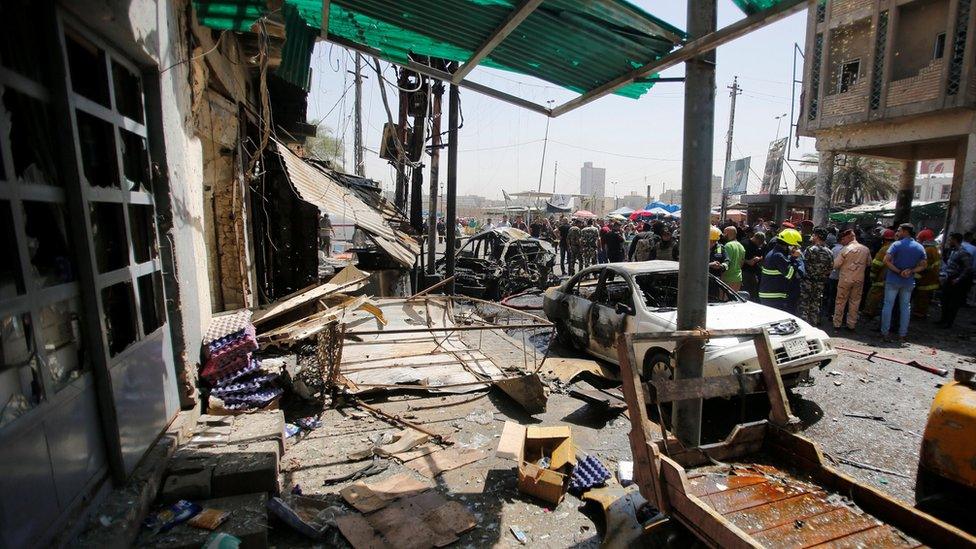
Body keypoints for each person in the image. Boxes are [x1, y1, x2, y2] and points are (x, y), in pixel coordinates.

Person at [881, 223, 927, 343]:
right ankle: (902, 335)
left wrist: (898, 271)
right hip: (908, 281)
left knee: (888, 306)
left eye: (899, 231)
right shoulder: (919, 247)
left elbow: (886, 260)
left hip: (893, 280)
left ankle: (885, 333)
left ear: (906, 231)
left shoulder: (896, 245)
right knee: (906, 307)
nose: (897, 233)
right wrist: (911, 271)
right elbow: (923, 265)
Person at [758, 229, 805, 313]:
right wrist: (796, 258)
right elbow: (790, 274)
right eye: (794, 246)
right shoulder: (778, 256)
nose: (796, 248)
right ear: (789, 245)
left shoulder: (776, 253)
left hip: (771, 296)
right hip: (774, 297)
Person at [832, 228, 871, 331]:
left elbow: (836, 265)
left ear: (849, 237)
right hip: (859, 280)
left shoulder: (845, 249)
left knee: (840, 301)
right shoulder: (865, 249)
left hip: (845, 279)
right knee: (855, 302)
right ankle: (851, 325)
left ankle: (837, 324)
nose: (842, 241)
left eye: (843, 239)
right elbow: (869, 263)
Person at [938, 233, 974, 328]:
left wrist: (958, 279)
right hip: (948, 278)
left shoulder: (963, 253)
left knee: (953, 303)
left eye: (950, 240)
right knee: (944, 300)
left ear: (955, 240)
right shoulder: (952, 251)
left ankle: (948, 322)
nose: (949, 242)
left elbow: (968, 268)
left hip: (956, 281)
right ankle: (943, 320)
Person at [799, 228, 833, 326]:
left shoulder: (810, 250)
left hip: (807, 282)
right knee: (815, 305)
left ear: (817, 236)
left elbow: (803, 265)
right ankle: (813, 325)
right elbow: (830, 269)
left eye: (813, 235)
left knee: (804, 305)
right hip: (820, 283)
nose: (812, 237)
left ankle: (804, 325)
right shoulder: (829, 252)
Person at [863, 229, 896, 318]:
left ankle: (869, 312)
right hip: (893, 279)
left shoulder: (884, 249)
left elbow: (876, 264)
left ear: (884, 239)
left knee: (873, 295)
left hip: (881, 278)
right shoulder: (898, 247)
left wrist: (872, 276)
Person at [911, 228, 941, 319]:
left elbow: (923, 266)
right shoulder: (934, 249)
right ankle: (921, 313)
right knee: (925, 298)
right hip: (931, 279)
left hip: (925, 279)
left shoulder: (927, 251)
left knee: (922, 298)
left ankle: (919, 314)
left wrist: (914, 273)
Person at [824, 233, 842, 317]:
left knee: (831, 295)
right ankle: (833, 313)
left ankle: (829, 312)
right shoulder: (844, 249)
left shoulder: (834, 249)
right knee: (837, 296)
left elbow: (831, 263)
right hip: (840, 276)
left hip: (832, 275)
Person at [742, 232, 765, 300]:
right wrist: (748, 261)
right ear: (756, 239)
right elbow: (740, 258)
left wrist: (759, 258)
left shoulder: (757, 246)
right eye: (759, 242)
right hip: (745, 271)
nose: (760, 244)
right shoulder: (744, 244)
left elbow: (761, 255)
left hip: (754, 271)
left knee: (753, 290)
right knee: (746, 290)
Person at [721, 226, 745, 291]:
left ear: (727, 234)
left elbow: (726, 263)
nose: (722, 235)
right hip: (738, 279)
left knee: (723, 300)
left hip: (727, 279)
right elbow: (741, 263)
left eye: (724, 233)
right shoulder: (741, 246)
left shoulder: (727, 246)